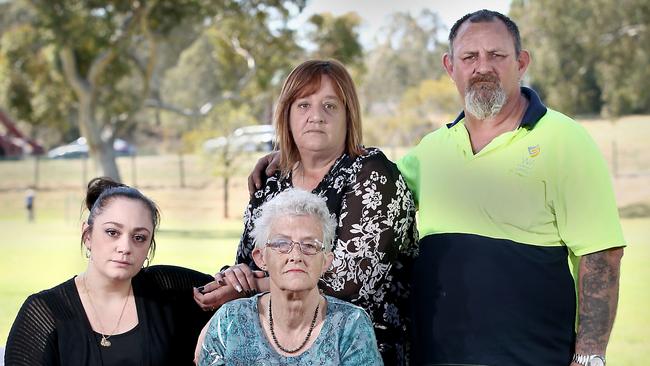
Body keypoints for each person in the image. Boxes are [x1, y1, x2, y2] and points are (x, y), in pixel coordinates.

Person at [248, 10, 626, 366]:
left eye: (496, 54)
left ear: (521, 62)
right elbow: (356, 180)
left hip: (534, 355)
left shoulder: (565, 141)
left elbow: (602, 254)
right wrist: (293, 152)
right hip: (434, 355)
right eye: (469, 57)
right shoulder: (431, 151)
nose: (483, 67)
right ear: (450, 67)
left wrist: (590, 355)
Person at [194, 59, 418, 365]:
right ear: (286, 114)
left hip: (359, 345)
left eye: (330, 106)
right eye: (303, 105)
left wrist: (250, 287)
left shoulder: (373, 175)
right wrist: (231, 286)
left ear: (348, 115)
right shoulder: (271, 180)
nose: (316, 116)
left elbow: (348, 282)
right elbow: (253, 259)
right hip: (276, 345)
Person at [5, 177, 214, 366]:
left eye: (139, 237)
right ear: (87, 235)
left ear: (149, 246)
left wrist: (236, 281)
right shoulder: (45, 313)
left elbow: (234, 296)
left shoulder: (171, 290)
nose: (125, 247)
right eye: (112, 232)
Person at [197, 189, 382, 365]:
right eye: (281, 244)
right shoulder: (230, 321)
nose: (295, 255)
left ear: (326, 261)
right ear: (261, 258)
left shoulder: (351, 324)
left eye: (309, 245)